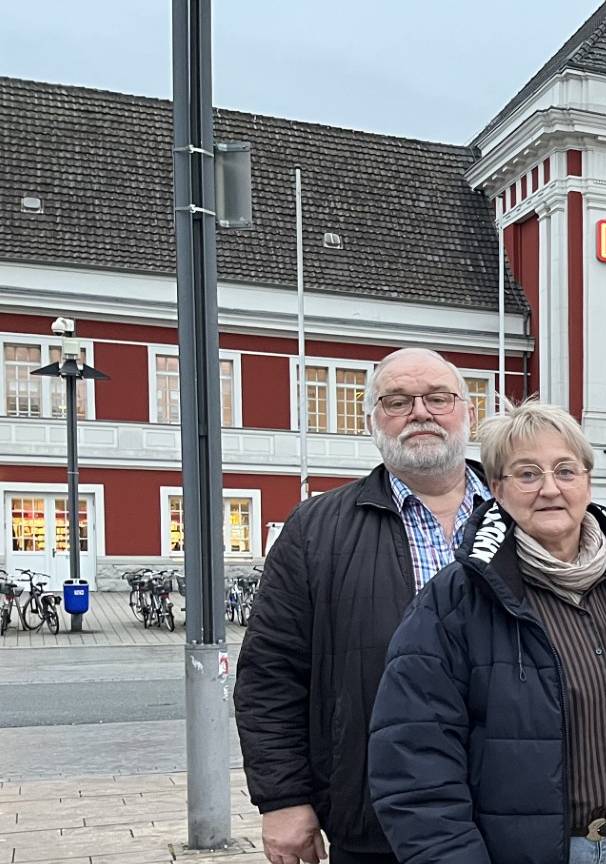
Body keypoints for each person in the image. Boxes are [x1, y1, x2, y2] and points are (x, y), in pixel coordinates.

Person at [367, 401, 606, 863]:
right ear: (496, 488)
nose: (550, 489)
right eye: (527, 474)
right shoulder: (454, 603)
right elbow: (414, 758)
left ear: (587, 480)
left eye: (565, 470)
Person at [236, 348, 492, 864]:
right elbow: (271, 674)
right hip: (374, 818)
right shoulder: (316, 529)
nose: (420, 412)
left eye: (438, 398)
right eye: (397, 401)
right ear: (372, 419)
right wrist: (283, 799)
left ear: (468, 411)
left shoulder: (522, 514)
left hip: (513, 811)